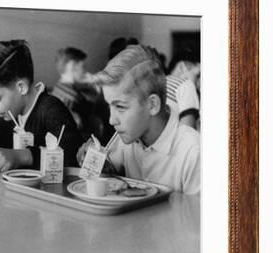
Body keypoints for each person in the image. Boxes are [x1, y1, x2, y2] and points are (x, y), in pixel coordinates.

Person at [76, 44, 200, 194]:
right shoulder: (127, 135)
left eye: (120, 107)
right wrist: (98, 165)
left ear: (152, 105)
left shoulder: (194, 152)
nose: (111, 120)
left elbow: (197, 216)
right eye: (110, 106)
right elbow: (110, 171)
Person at [0, 40, 83, 172]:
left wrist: (22, 156)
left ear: (21, 87)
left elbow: (72, 157)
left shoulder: (52, 110)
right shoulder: (8, 115)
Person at [51, 47, 111, 142]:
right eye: (83, 67)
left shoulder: (59, 87)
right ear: (72, 67)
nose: (85, 71)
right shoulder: (72, 96)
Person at [166, 49, 201, 129]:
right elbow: (188, 133)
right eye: (198, 76)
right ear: (182, 67)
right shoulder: (186, 85)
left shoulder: (158, 83)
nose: (200, 84)